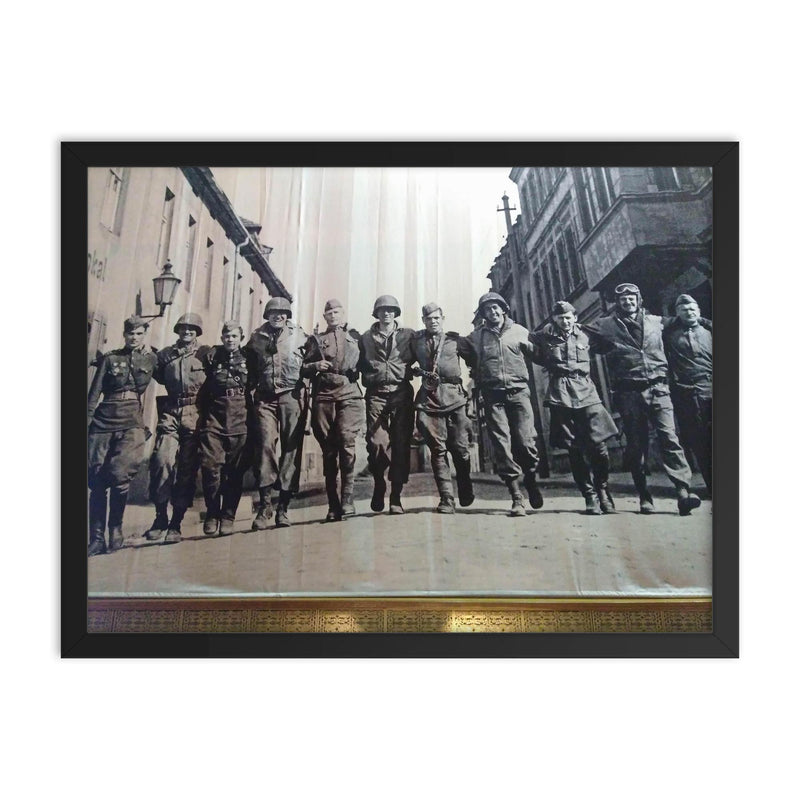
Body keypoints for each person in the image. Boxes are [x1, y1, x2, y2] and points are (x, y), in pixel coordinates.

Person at [582, 283, 701, 515]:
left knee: (670, 437)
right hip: (629, 393)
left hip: (658, 388)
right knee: (637, 445)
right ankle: (645, 496)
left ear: (639, 300)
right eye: (623, 299)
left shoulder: (656, 322)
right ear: (618, 303)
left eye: (632, 298)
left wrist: (707, 323)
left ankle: (683, 491)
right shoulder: (605, 325)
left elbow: (687, 320)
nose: (628, 302)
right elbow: (578, 333)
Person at [529, 301, 619, 514]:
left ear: (575, 318)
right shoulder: (545, 337)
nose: (565, 321)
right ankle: (589, 496)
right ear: (554, 319)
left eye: (568, 317)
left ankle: (603, 490)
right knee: (574, 449)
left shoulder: (587, 334)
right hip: (561, 394)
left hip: (587, 392)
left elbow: (609, 343)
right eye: (560, 318)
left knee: (600, 447)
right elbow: (528, 342)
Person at [458, 292, 543, 516]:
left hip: (519, 394)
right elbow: (459, 350)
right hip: (493, 397)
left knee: (526, 442)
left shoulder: (520, 332)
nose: (493, 312)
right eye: (488, 309)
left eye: (496, 308)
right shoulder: (476, 337)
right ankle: (516, 496)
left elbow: (540, 354)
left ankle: (531, 479)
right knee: (502, 446)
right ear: (483, 314)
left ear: (504, 309)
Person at [87, 316, 157, 555]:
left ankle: (115, 528)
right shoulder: (110, 359)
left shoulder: (152, 358)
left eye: (138, 334)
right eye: (130, 334)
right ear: (125, 335)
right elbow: (94, 394)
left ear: (143, 335)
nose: (134, 338)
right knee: (96, 479)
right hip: (104, 421)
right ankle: (96, 538)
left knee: (120, 475)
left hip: (131, 423)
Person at [144, 313, 210, 544]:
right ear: (177, 330)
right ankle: (160, 516)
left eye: (192, 329)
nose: (187, 332)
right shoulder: (165, 355)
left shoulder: (206, 354)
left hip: (196, 414)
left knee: (187, 469)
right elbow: (152, 371)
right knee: (161, 460)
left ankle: (176, 522)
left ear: (197, 332)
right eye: (183, 328)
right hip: (171, 411)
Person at [244, 297, 309, 529]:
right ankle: (264, 505)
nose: (278, 316)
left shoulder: (301, 336)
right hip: (265, 397)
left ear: (287, 315)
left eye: (282, 313)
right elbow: (247, 367)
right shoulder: (256, 338)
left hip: (292, 396)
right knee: (264, 446)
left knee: (291, 449)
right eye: (273, 313)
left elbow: (313, 364)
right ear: (267, 315)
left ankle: (283, 507)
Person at [301, 299, 364, 521]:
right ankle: (333, 504)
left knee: (347, 442)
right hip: (324, 395)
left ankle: (347, 500)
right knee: (329, 450)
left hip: (350, 393)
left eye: (337, 312)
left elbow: (369, 363)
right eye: (329, 312)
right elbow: (304, 368)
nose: (333, 315)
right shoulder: (317, 340)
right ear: (324, 316)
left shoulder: (356, 339)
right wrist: (314, 366)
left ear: (343, 314)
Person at [409, 302, 474, 513]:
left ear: (442, 319)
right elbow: (402, 361)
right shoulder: (415, 342)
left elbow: (476, 360)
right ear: (423, 321)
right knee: (437, 451)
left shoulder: (457, 341)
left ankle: (464, 484)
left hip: (455, 399)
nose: (433, 321)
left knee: (461, 448)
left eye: (436, 318)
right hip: (430, 400)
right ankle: (447, 498)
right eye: (428, 319)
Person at [197, 321, 258, 536]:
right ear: (221, 338)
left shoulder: (250, 358)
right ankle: (212, 513)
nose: (229, 339)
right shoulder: (213, 357)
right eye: (226, 336)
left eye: (233, 336)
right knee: (210, 467)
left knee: (235, 471)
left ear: (240, 338)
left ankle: (228, 515)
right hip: (215, 416)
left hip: (240, 417)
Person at [358, 295, 415, 514]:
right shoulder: (365, 338)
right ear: (377, 314)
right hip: (375, 394)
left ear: (396, 313)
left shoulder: (408, 335)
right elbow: (356, 360)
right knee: (377, 443)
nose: (387, 314)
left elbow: (425, 351)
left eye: (391, 310)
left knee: (401, 444)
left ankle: (396, 496)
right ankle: (379, 483)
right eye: (382, 310)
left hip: (401, 393)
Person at [663, 294, 712, 493]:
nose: (689, 312)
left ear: (699, 311)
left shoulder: (709, 330)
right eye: (684, 310)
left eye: (693, 309)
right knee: (700, 442)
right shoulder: (669, 334)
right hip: (688, 394)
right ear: (677, 314)